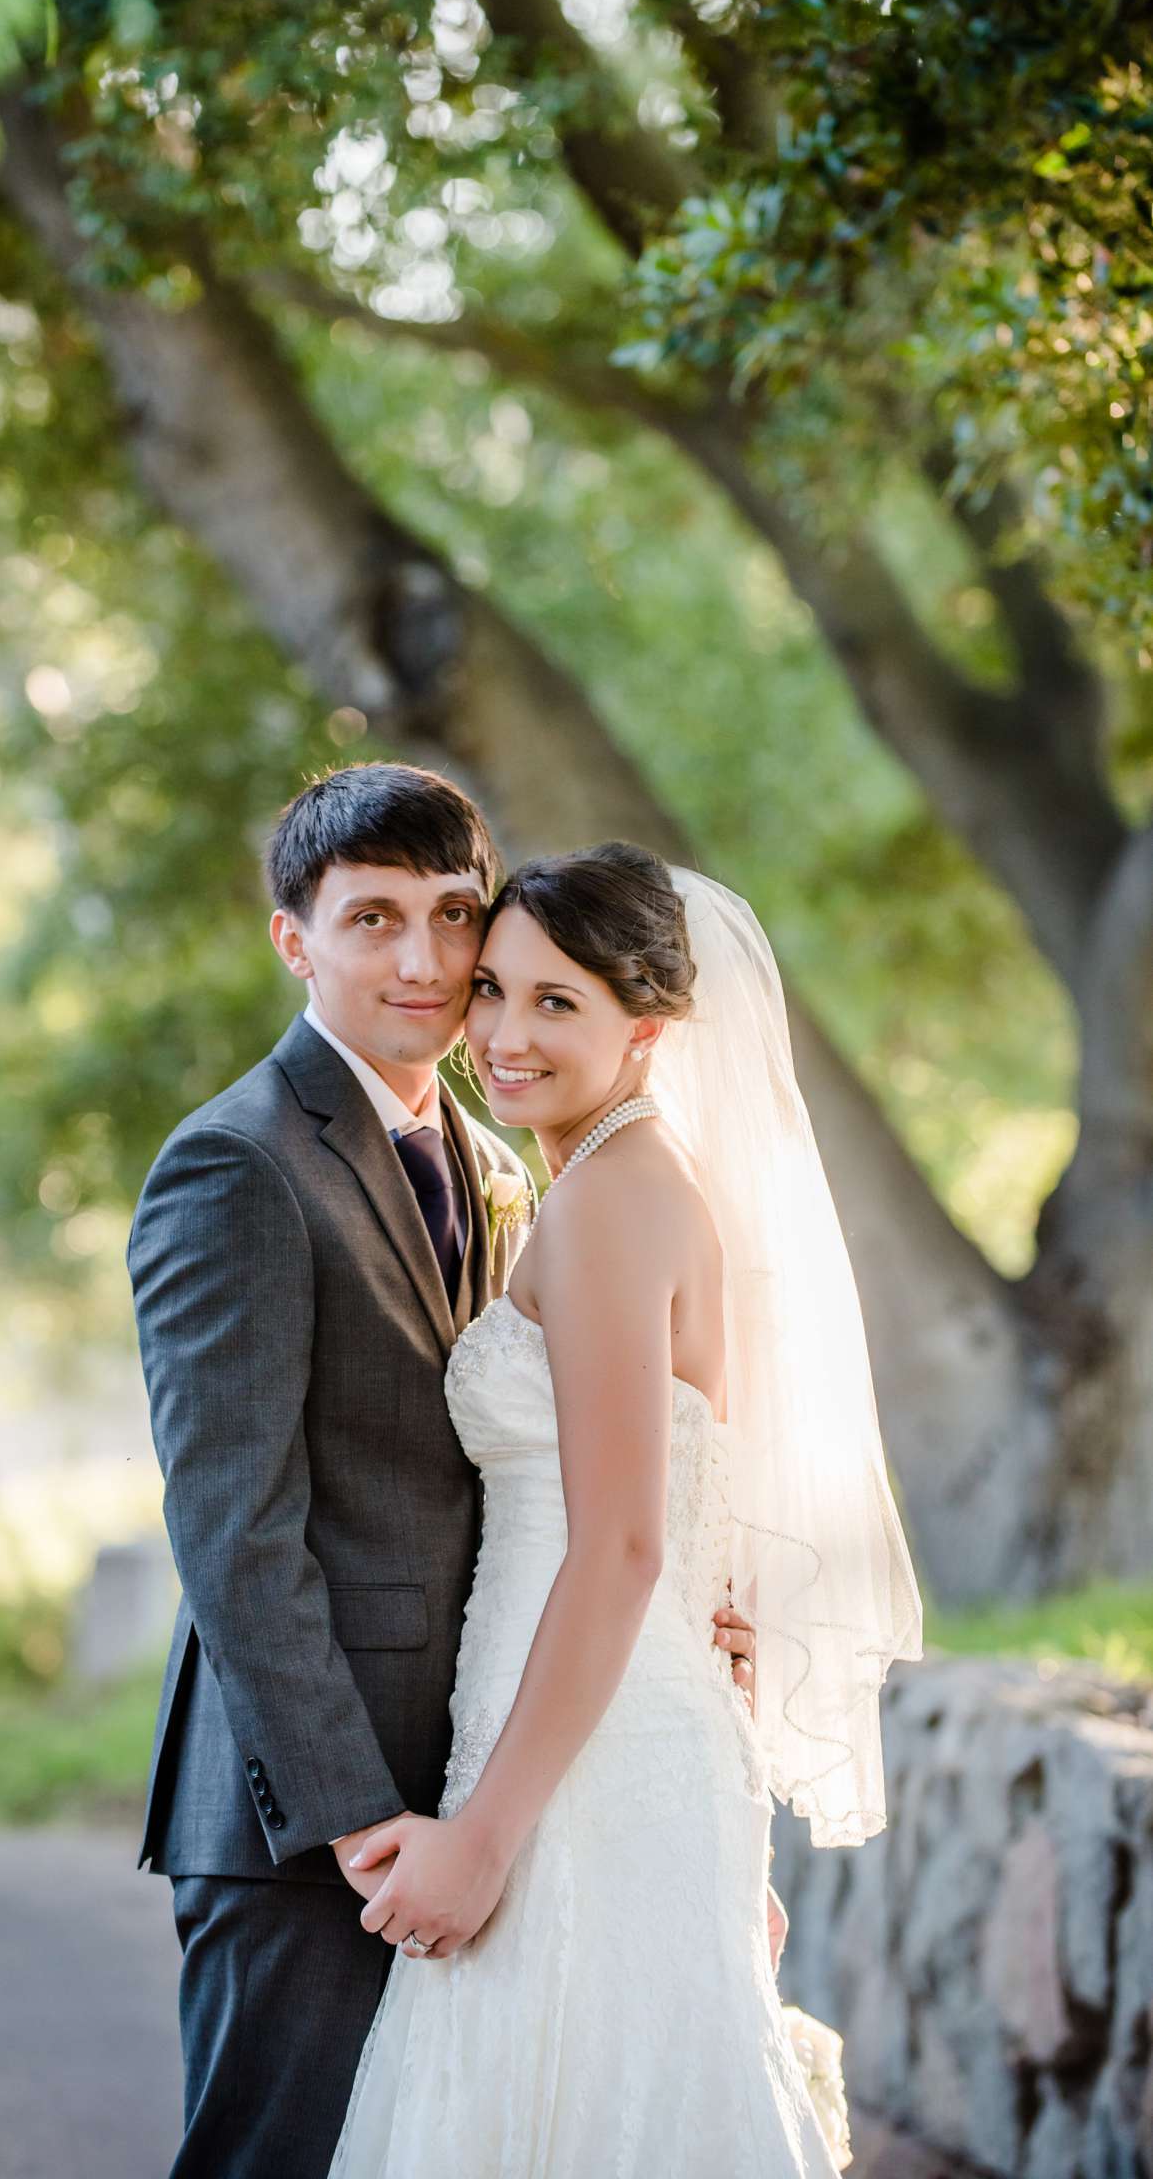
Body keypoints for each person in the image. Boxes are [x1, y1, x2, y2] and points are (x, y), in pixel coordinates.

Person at [127, 768, 760, 2178]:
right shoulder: (232, 1167)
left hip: (507, 1772)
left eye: (449, 916)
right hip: (315, 1819)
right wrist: (359, 1819)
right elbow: (235, 1529)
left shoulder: (506, 1155)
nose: (420, 959)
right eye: (370, 919)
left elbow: (595, 1482)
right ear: (295, 939)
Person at [327, 842, 925, 2178]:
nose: (501, 1034)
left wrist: (479, 1839)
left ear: (645, 1031)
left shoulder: (610, 1204)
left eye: (556, 1004)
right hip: (606, 1724)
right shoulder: (617, 1187)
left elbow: (621, 1545)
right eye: (492, 993)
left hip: (578, 1753)